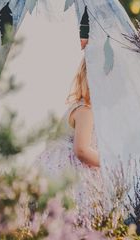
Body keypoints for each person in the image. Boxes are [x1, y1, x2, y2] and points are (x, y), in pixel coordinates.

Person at [34, 58, 107, 228]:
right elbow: (81, 150)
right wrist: (108, 161)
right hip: (68, 173)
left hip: (51, 167)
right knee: (73, 216)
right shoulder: (86, 111)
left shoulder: (76, 106)